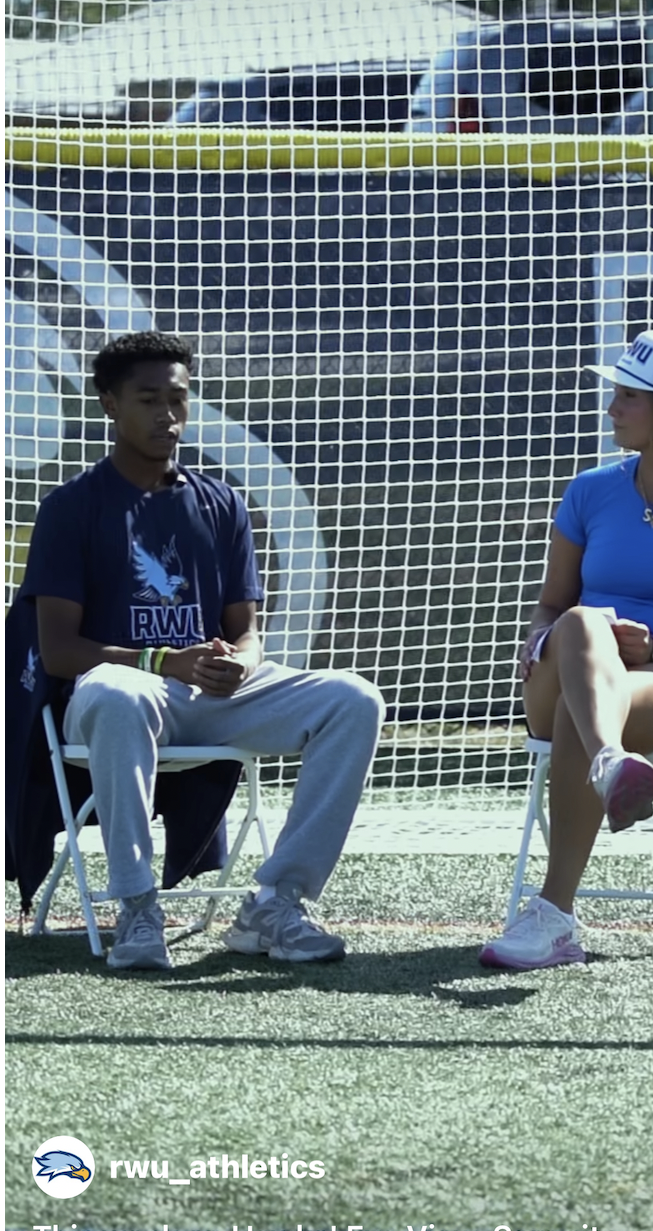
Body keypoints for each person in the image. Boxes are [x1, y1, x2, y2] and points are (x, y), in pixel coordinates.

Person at [20, 331, 386, 972]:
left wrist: (240, 662)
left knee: (354, 699)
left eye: (178, 399)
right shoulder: (71, 508)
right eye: (148, 400)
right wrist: (165, 661)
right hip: (120, 697)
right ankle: (138, 907)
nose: (167, 415)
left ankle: (275, 901)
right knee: (118, 691)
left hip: (210, 695)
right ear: (110, 404)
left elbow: (247, 631)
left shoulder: (221, 502)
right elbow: (58, 652)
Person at [480, 329, 653, 971]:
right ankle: (611, 763)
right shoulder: (589, 490)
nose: (611, 408)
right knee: (581, 621)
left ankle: (553, 916)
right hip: (567, 672)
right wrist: (537, 635)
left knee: (580, 711)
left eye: (627, 396)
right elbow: (551, 606)